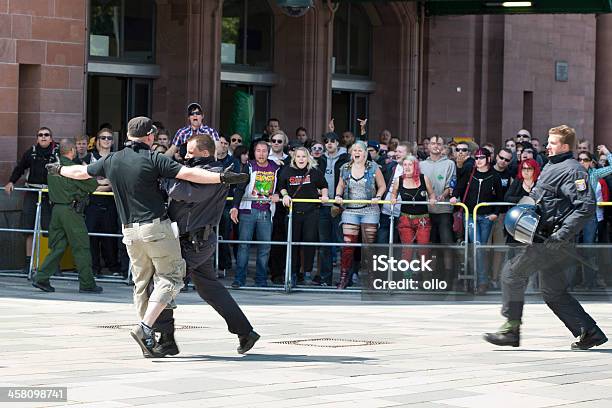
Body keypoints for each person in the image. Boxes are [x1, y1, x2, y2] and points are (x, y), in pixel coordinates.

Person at [46, 116, 247, 358]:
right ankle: (146, 330)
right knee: (169, 278)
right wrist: (222, 178)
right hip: (156, 229)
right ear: (150, 137)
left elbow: (80, 172)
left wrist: (59, 169)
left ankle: (161, 339)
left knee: (143, 284)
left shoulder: (112, 159)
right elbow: (191, 174)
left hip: (129, 231)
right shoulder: (154, 159)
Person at [484, 125, 608, 350]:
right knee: (553, 292)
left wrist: (560, 236)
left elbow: (586, 206)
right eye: (548, 142)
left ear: (565, 146)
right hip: (545, 238)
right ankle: (590, 332)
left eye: (552, 142)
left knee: (512, 274)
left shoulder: (573, 170)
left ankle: (511, 329)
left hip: (551, 241)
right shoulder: (552, 165)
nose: (547, 146)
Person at [152, 134, 260, 357]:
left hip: (196, 242)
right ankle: (245, 332)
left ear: (204, 152)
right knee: (210, 288)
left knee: (164, 285)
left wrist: (166, 177)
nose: (186, 155)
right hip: (192, 240)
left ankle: (166, 339)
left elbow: (186, 194)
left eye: (191, 152)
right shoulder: (197, 171)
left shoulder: (215, 174)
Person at [32, 139, 102, 293]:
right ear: (72, 150)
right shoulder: (71, 168)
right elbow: (92, 185)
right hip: (71, 212)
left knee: (58, 247)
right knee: (81, 247)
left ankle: (41, 278)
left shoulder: (53, 169)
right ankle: (87, 283)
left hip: (56, 211)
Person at [5, 127, 59, 272]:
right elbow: (20, 168)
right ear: (37, 138)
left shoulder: (57, 152)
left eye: (46, 135)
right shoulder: (32, 152)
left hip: (49, 194)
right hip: (32, 192)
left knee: (50, 228)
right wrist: (11, 182)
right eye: (40, 135)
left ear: (51, 138)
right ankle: (29, 264)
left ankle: (52, 264)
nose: (43, 137)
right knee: (28, 228)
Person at [335, 141, 386, 289]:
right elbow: (341, 184)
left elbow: (382, 185)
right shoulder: (345, 168)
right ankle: (344, 278)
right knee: (348, 245)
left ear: (365, 153)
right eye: (354, 150)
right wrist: (338, 195)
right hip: (350, 210)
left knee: (368, 246)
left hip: (370, 210)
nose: (356, 153)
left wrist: (378, 196)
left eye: (359, 150)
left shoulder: (374, 167)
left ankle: (370, 280)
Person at [451, 148, 503, 295]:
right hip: (470, 215)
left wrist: (495, 214)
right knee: (477, 246)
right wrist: (454, 197)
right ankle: (480, 281)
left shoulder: (494, 176)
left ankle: (479, 280)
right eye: (476, 157)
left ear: (488, 159)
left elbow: (500, 197)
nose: (478, 160)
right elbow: (459, 188)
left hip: (486, 217)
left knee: (481, 249)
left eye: (481, 157)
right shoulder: (470, 173)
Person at [230, 141, 280, 288]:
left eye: (264, 151)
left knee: (265, 247)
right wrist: (235, 207)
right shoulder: (249, 166)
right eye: (258, 150)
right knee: (243, 246)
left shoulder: (275, 167)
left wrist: (277, 193)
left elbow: (282, 185)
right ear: (254, 152)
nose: (261, 153)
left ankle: (261, 279)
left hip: (266, 211)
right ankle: (239, 279)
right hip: (247, 211)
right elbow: (239, 188)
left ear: (268, 152)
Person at [278, 147, 329, 285]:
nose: (301, 159)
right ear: (294, 158)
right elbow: (281, 185)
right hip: (293, 212)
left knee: (309, 242)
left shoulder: (314, 172)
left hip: (311, 212)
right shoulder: (287, 170)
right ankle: (293, 274)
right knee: (293, 243)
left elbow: (324, 185)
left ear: (308, 158)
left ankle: (306, 272)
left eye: (304, 156)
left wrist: (324, 195)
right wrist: (285, 195)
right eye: (298, 156)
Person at [420, 135, 457, 286]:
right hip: (426, 211)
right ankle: (427, 277)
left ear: (443, 147)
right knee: (428, 245)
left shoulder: (449, 163)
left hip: (444, 210)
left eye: (439, 144)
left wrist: (443, 195)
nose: (436, 146)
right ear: (428, 146)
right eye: (433, 143)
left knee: (447, 244)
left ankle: (448, 277)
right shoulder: (421, 164)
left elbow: (452, 183)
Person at [317, 127, 349, 286]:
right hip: (322, 206)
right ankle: (325, 279)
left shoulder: (346, 158)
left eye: (332, 141)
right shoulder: (319, 159)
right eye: (326, 141)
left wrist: (340, 200)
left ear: (337, 143)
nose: (329, 144)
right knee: (324, 245)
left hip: (340, 206)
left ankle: (345, 279)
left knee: (342, 244)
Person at [85, 128, 120, 276]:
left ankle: (112, 266)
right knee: (91, 236)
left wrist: (102, 185)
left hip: (110, 202)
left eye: (109, 138)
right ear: (97, 140)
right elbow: (86, 179)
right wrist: (103, 184)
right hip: (92, 202)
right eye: (103, 138)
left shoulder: (116, 157)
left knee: (109, 235)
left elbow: (116, 181)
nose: (106, 140)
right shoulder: (89, 157)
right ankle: (94, 268)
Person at [390, 156, 436, 265]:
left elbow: (431, 193)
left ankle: (425, 278)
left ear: (415, 166)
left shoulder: (424, 178)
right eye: (404, 165)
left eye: (410, 164)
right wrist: (393, 198)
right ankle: (407, 279)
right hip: (405, 219)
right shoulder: (399, 180)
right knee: (407, 251)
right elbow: (393, 193)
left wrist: (432, 199)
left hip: (422, 219)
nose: (407, 167)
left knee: (423, 250)